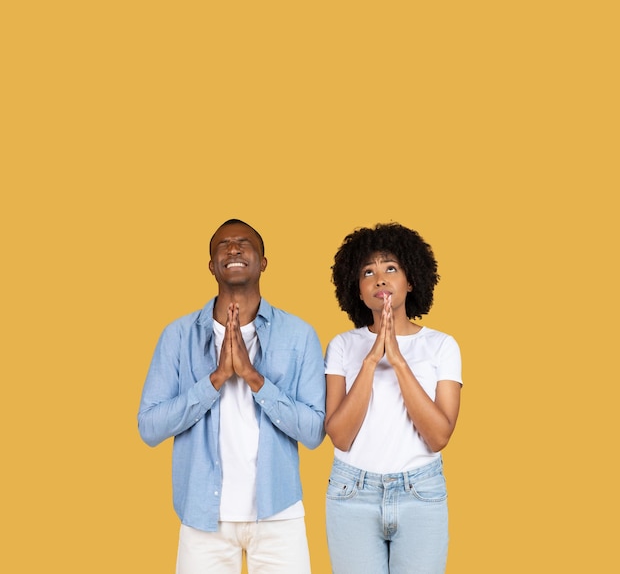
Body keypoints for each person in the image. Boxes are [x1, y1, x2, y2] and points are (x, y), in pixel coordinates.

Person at [138, 219, 326, 574]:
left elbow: (315, 431)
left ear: (263, 262)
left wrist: (255, 380)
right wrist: (216, 379)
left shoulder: (299, 335)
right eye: (224, 244)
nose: (235, 249)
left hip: (278, 514)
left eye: (244, 243)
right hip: (203, 516)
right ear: (211, 265)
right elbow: (149, 427)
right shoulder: (177, 336)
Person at [323, 222, 462, 574]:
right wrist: (372, 359)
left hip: (421, 493)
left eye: (390, 268)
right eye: (368, 272)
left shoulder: (442, 346)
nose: (379, 278)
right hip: (352, 493)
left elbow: (438, 436)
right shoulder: (342, 346)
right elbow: (339, 435)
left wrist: (397, 359)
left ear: (411, 280)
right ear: (357, 289)